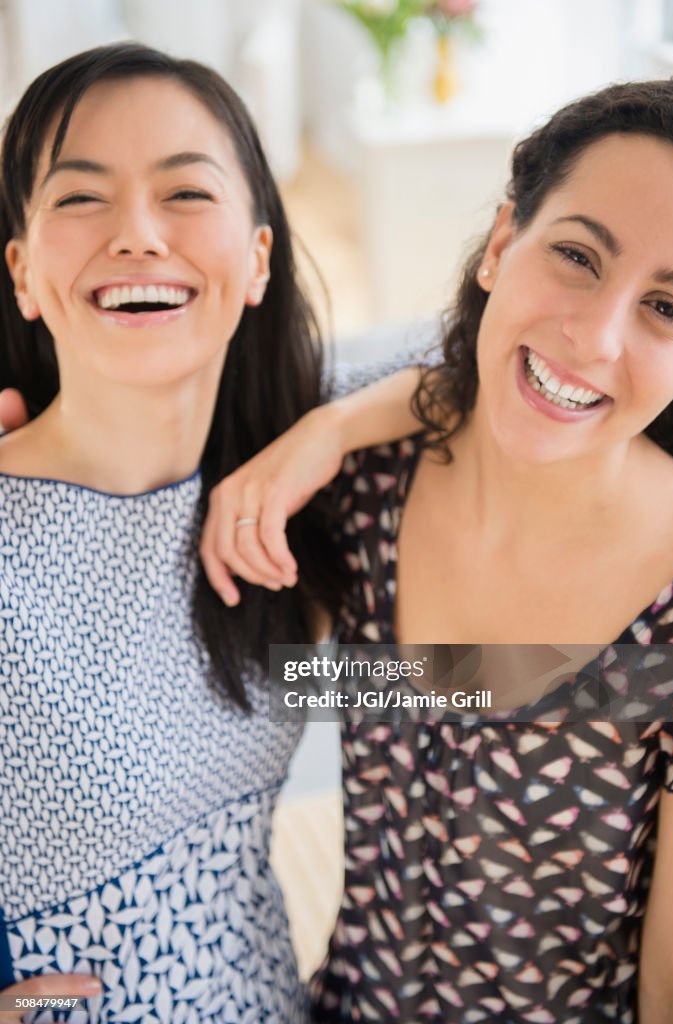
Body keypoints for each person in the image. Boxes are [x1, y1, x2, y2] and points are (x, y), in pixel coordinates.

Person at [179, 79, 673, 1022]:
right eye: (576, 254)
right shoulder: (370, 482)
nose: (593, 335)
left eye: (670, 309)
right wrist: (328, 429)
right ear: (501, 245)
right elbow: (299, 695)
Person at [0, 42, 426, 1023]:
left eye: (186, 193)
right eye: (80, 198)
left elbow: (527, 348)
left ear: (259, 258)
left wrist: (330, 430)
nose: (139, 233)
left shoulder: (280, 504)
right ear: (24, 274)